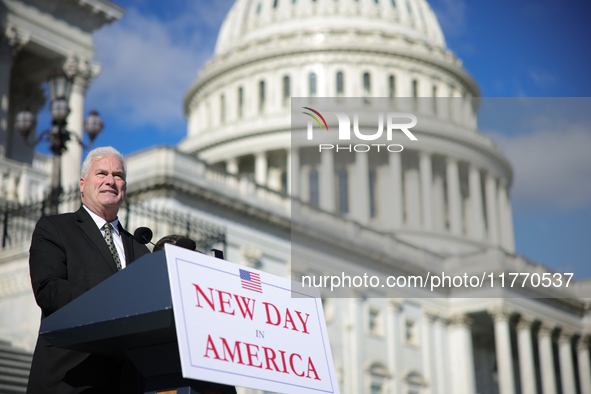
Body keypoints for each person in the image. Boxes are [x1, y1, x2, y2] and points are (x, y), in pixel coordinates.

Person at [27, 146, 150, 393]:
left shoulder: (141, 250)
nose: (111, 181)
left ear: (124, 188)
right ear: (82, 184)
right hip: (70, 378)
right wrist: (109, 305)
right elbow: (48, 289)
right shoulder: (55, 228)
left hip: (126, 383)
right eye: (101, 173)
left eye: (118, 175)